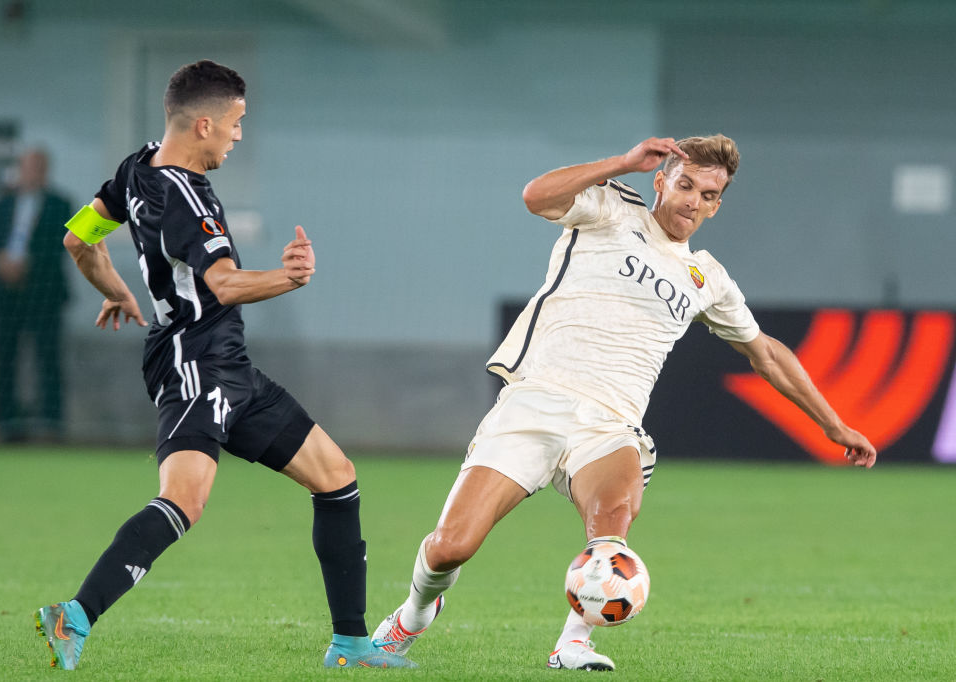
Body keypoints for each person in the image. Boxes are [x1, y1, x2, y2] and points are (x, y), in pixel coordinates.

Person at [371, 135, 877, 670]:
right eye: (685, 185)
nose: (692, 202)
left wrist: (833, 423)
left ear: (718, 203)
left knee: (610, 536)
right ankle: (414, 613)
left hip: (610, 424)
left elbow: (767, 354)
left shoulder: (708, 278)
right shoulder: (609, 204)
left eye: (708, 195)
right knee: (452, 545)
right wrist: (621, 163)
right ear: (660, 180)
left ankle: (574, 642)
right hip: (534, 402)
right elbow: (535, 197)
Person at [33, 60, 414, 670]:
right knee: (184, 500)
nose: (240, 135)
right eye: (237, 124)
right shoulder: (186, 198)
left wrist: (114, 291)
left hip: (228, 363)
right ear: (205, 124)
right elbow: (227, 284)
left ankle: (350, 646)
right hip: (195, 360)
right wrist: (289, 278)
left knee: (337, 478)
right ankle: (73, 616)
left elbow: (78, 238)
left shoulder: (138, 165)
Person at [0, 147, 72, 442]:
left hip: (43, 293)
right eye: (27, 166)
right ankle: (7, 422)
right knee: (5, 357)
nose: (31, 172)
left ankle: (51, 422)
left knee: (48, 357)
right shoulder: (4, 201)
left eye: (37, 167)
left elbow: (65, 244)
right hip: (7, 293)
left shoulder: (60, 204)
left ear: (45, 170)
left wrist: (29, 266)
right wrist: (1, 261)